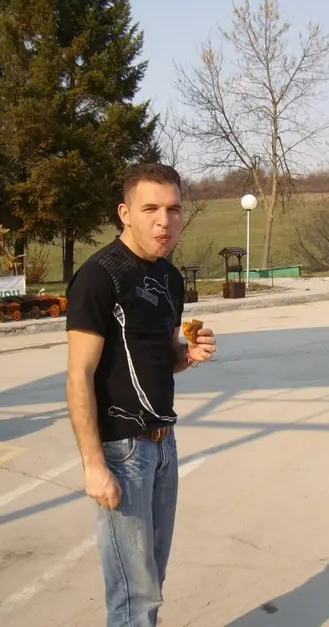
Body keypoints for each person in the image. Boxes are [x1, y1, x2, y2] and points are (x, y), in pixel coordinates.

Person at [65, 162, 216, 626]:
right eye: (150, 209)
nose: (163, 221)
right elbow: (79, 375)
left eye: (173, 209)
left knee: (152, 579)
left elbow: (160, 358)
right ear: (125, 213)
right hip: (122, 450)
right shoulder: (99, 277)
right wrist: (94, 465)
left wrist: (188, 354)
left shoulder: (171, 278)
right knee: (134, 596)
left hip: (164, 444)